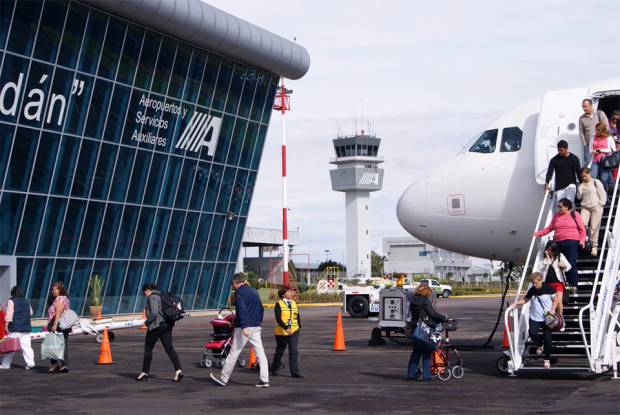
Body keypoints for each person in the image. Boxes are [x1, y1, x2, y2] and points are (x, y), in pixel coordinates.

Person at [211, 273, 270, 388]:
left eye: (232, 283)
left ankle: (223, 378)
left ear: (235, 282)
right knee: (260, 353)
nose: (232, 286)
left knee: (234, 352)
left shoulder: (239, 293)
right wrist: (258, 321)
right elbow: (261, 308)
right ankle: (264, 379)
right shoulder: (253, 291)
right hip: (256, 326)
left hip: (245, 326)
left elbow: (242, 310)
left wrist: (244, 326)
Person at [534, 198, 586, 295]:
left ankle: (574, 285)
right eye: (558, 206)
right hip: (558, 243)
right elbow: (549, 228)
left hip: (572, 242)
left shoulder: (574, 214)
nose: (559, 208)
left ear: (567, 207)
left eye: (560, 206)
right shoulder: (556, 216)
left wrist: (582, 240)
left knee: (571, 263)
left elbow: (582, 229)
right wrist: (539, 233)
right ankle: (563, 284)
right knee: (558, 264)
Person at [135, 283, 183, 382]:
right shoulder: (162, 295)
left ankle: (145, 372)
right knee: (169, 348)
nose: (145, 294)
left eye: (144, 292)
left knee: (148, 348)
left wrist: (147, 322)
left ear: (148, 290)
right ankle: (178, 371)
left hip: (156, 326)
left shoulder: (152, 297)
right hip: (167, 325)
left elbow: (154, 313)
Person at [512, 273, 559, 369]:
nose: (534, 284)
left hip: (547, 317)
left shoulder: (549, 289)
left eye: (536, 282)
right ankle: (539, 345)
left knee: (547, 339)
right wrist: (516, 303)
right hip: (534, 317)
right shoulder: (532, 290)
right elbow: (526, 299)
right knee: (532, 333)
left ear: (541, 281)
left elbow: (555, 300)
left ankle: (547, 360)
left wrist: (553, 309)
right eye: (533, 283)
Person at [407, 285, 446, 381]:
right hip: (425, 330)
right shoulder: (425, 301)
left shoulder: (413, 301)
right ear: (426, 292)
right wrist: (444, 318)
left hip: (415, 330)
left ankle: (411, 375)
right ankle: (427, 376)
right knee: (427, 352)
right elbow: (432, 314)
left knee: (415, 353)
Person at [270, 286, 303, 378]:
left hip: (294, 331)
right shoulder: (279, 304)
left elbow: (297, 315)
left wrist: (299, 326)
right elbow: (278, 319)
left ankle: (295, 372)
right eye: (289, 291)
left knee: (293, 351)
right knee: (280, 351)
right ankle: (274, 368)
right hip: (282, 332)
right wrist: (286, 328)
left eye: (291, 291)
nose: (291, 293)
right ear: (283, 294)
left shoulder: (293, 303)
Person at [0, 287, 35, 370]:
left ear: (13, 293)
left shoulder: (11, 301)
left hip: (15, 327)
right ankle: (30, 363)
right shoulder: (26, 301)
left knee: (11, 347)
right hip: (26, 327)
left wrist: (6, 326)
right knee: (27, 347)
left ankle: (6, 364)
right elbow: (31, 312)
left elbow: (9, 315)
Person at [577, 167, 607, 256]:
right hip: (585, 207)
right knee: (582, 225)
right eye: (582, 177)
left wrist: (601, 204)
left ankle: (594, 247)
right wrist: (579, 190)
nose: (584, 178)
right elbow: (579, 197)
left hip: (596, 207)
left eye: (585, 176)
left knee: (594, 227)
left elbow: (602, 193)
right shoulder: (581, 185)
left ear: (589, 173)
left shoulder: (595, 182)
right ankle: (584, 242)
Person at [544, 140, 581, 211]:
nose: (559, 152)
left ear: (566, 149)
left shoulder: (574, 158)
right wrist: (546, 183)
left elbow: (578, 172)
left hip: (571, 185)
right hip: (559, 186)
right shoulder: (554, 160)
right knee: (560, 206)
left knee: (570, 204)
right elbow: (549, 173)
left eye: (561, 150)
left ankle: (572, 220)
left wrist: (582, 184)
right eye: (558, 150)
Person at [538, 241, 570, 316]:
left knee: (559, 302)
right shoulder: (544, 258)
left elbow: (569, 266)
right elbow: (540, 268)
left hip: (558, 283)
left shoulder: (560, 256)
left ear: (555, 250)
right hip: (547, 284)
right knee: (549, 303)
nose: (549, 252)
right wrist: (547, 259)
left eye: (551, 250)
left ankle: (560, 320)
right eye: (548, 250)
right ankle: (552, 321)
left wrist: (564, 265)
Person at [47, 281, 71, 373]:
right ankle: (63, 365)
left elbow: (58, 312)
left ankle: (57, 365)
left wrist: (54, 324)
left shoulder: (59, 299)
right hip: (64, 325)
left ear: (59, 290)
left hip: (57, 325)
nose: (52, 291)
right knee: (62, 345)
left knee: (52, 345)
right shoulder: (65, 299)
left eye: (54, 289)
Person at [579, 98, 609, 165]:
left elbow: (606, 127)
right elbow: (581, 133)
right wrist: (585, 145)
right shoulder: (582, 118)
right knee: (590, 164)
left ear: (590, 106)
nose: (584, 108)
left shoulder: (600, 114)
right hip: (589, 146)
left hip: (601, 144)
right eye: (583, 107)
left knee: (603, 163)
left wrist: (603, 138)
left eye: (585, 106)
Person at [589, 122, 615, 192]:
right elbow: (590, 150)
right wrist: (594, 151)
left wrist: (601, 150)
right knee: (593, 177)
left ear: (602, 130)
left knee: (603, 179)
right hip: (595, 160)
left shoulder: (609, 138)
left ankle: (606, 192)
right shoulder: (593, 137)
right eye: (595, 130)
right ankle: (600, 191)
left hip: (605, 160)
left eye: (598, 130)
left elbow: (613, 149)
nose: (596, 131)